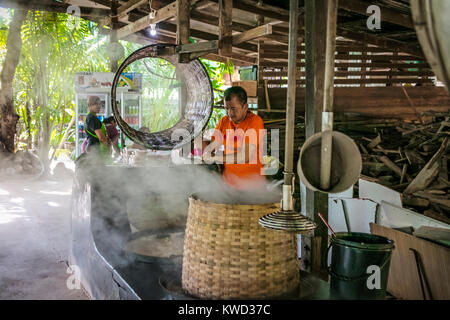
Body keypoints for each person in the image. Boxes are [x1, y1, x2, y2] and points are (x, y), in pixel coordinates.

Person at [203, 86, 266, 190]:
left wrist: (216, 158)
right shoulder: (224, 121)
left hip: (253, 187)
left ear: (245, 107)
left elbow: (244, 156)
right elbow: (212, 146)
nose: (230, 113)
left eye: (233, 109)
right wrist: (205, 148)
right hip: (228, 186)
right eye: (226, 109)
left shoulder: (255, 122)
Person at [84, 96, 111, 163]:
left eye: (100, 104)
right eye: (96, 104)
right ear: (90, 105)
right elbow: (101, 137)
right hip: (94, 149)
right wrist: (108, 146)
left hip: (93, 148)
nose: (99, 106)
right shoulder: (92, 118)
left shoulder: (91, 117)